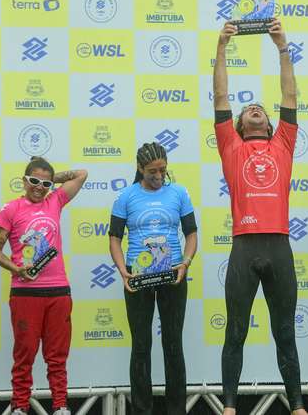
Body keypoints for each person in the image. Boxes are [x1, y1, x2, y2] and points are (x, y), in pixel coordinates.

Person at [213, 19, 308, 415]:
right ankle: (231, 406)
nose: (255, 108)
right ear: (237, 125)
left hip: (278, 245)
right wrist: (221, 48)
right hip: (244, 246)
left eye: (261, 110)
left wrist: (282, 46)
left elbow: (289, 92)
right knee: (235, 331)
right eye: (248, 109)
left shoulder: (283, 143)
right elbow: (220, 94)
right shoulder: (231, 146)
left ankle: (298, 405)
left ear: (271, 125)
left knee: (285, 332)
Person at [0, 158, 87, 415]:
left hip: (58, 291)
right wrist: (15, 268)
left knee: (57, 357)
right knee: (25, 355)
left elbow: (81, 174)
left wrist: (50, 181)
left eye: (44, 183)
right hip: (25, 292)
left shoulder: (54, 200)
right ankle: (20, 406)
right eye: (33, 181)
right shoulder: (10, 209)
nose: (39, 187)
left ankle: (60, 406)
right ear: (23, 180)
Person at [108, 142, 198, 415]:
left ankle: (176, 411)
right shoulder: (126, 197)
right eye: (152, 171)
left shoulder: (179, 193)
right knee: (141, 346)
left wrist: (185, 263)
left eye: (162, 170)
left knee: (173, 344)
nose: (158, 176)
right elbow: (114, 238)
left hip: (173, 275)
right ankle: (141, 410)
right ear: (139, 168)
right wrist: (123, 270)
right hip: (138, 278)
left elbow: (192, 234)